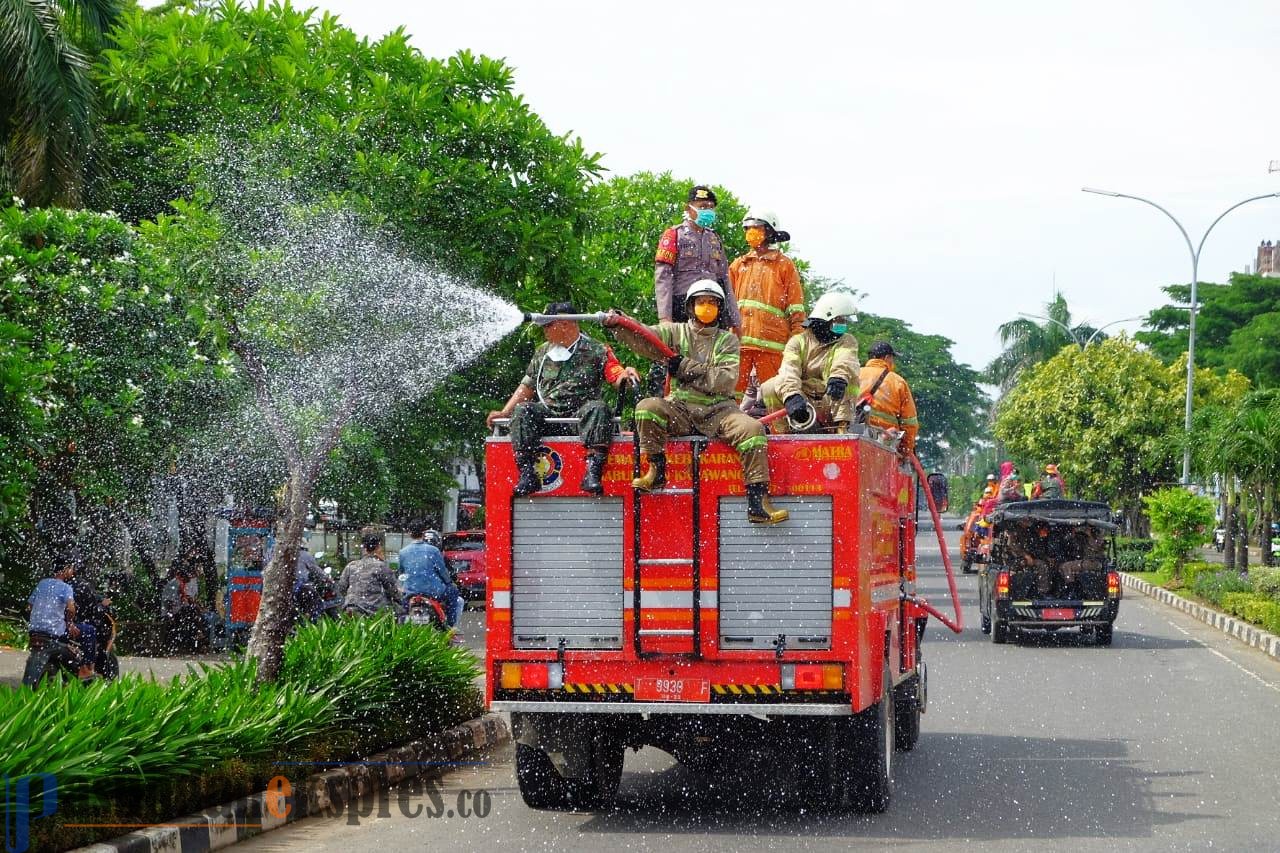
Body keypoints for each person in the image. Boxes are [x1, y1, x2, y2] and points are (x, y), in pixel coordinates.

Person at [604, 280, 788, 525]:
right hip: (681, 408)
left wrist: (684, 367)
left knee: (753, 430)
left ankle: (758, 502)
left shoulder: (728, 341)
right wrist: (620, 324)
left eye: (712, 303)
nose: (707, 307)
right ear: (690, 306)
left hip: (719, 410)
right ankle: (656, 471)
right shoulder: (675, 332)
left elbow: (723, 381)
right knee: (646, 409)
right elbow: (645, 338)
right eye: (701, 302)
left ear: (720, 308)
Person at [487, 301, 641, 497]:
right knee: (523, 410)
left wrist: (626, 376)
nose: (545, 331)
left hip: (581, 419)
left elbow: (615, 375)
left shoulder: (597, 350)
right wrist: (504, 412)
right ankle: (527, 473)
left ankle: (593, 471)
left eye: (548, 326)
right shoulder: (543, 352)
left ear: (566, 324)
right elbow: (526, 387)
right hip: (548, 416)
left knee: (599, 407)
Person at [759, 291, 860, 433]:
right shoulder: (797, 342)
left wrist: (838, 378)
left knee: (847, 380)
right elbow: (789, 371)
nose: (843, 324)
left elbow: (845, 361)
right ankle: (784, 434)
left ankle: (840, 430)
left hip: (830, 400)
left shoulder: (846, 340)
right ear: (827, 318)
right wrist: (792, 396)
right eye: (840, 320)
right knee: (770, 387)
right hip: (804, 401)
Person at [729, 211, 805, 395]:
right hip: (739, 346)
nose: (751, 232)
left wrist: (796, 343)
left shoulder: (784, 265)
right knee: (730, 399)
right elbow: (726, 306)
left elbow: (796, 308)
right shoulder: (739, 265)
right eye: (747, 228)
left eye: (756, 227)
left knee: (776, 399)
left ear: (769, 232)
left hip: (772, 348)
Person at [654, 185, 742, 333]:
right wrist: (665, 318)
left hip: (712, 305)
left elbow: (725, 280)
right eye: (702, 206)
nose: (707, 211)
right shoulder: (674, 235)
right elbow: (663, 278)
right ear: (688, 208)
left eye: (710, 207)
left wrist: (735, 320)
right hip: (683, 305)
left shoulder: (714, 239)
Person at [28, 558, 96, 677]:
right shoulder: (66, 588)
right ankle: (86, 669)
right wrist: (69, 624)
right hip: (53, 633)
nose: (72, 571)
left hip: (35, 631)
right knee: (89, 630)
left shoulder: (42, 583)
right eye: (71, 568)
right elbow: (71, 609)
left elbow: (29, 606)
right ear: (65, 570)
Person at [856, 341, 919, 456]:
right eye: (892, 359)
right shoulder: (897, 382)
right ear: (887, 357)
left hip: (856, 436)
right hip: (886, 443)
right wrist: (905, 449)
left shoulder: (855, 374)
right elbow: (910, 423)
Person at [398, 523, 460, 627]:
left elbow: (402, 573)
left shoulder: (402, 552)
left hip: (411, 592)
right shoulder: (433, 550)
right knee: (453, 591)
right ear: (423, 534)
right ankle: (451, 625)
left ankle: (400, 626)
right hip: (433, 591)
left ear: (410, 534)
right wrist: (449, 583)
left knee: (401, 606)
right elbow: (443, 572)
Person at [336, 532, 401, 616]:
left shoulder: (351, 566)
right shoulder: (381, 566)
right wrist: (400, 599)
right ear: (378, 547)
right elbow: (392, 590)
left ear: (365, 548)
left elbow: (341, 588)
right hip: (372, 610)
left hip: (350, 608)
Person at [293, 540, 334, 621]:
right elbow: (315, 570)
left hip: (286, 588)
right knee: (316, 603)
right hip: (301, 586)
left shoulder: (281, 554)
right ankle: (312, 623)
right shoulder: (304, 554)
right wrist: (327, 579)